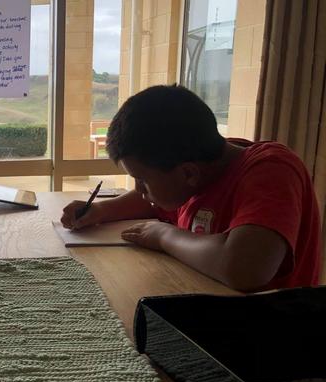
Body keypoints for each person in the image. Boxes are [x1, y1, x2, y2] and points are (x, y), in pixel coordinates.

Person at [61, 84, 321, 292]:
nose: (140, 190)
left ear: (188, 173)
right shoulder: (199, 164)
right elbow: (155, 200)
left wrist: (164, 236)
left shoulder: (272, 170)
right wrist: (101, 210)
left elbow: (244, 268)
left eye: (142, 180)